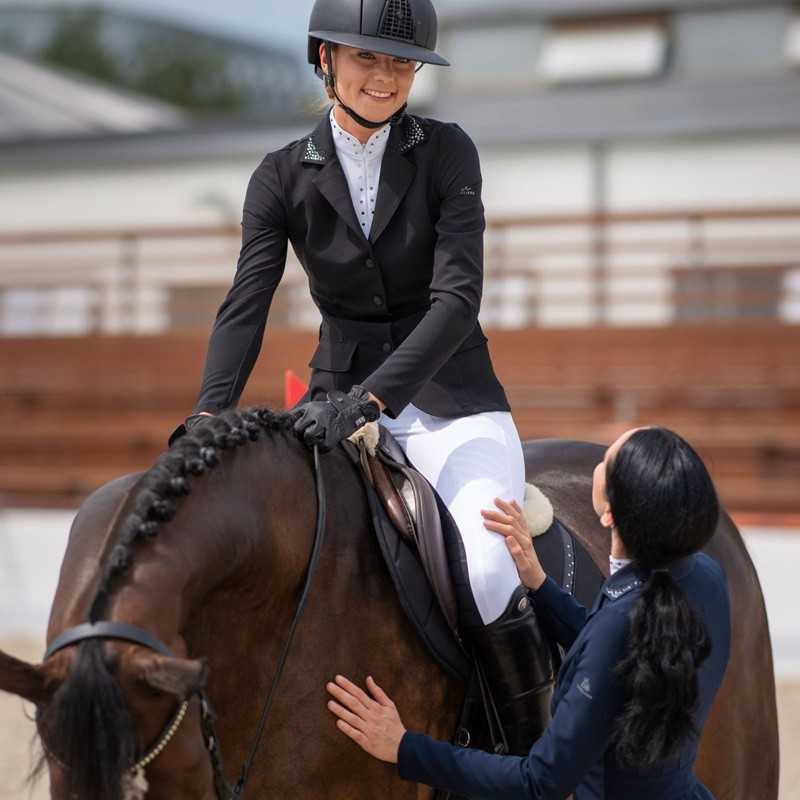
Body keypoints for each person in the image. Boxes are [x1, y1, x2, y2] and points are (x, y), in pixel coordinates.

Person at [170, 0, 554, 748]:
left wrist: (374, 400)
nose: (385, 76)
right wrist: (207, 415)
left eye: (400, 62)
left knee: (484, 569)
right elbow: (247, 304)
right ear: (325, 60)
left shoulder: (447, 152)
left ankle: (528, 763)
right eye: (367, 58)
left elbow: (457, 300)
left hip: (452, 405)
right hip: (331, 403)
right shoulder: (281, 175)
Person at [325, 426, 732, 800]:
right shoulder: (707, 578)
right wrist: (539, 585)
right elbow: (625, 664)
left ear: (609, 513)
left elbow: (540, 781)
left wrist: (405, 747)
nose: (599, 461)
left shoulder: (618, 623)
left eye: (607, 461)